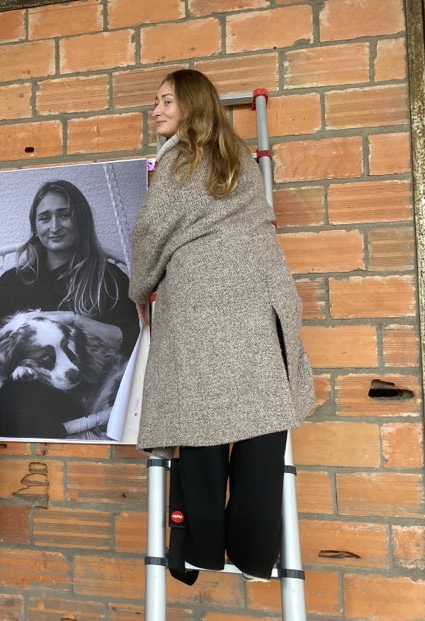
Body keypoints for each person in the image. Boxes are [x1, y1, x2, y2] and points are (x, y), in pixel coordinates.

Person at [128, 69, 315, 584]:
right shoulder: (243, 161)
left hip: (200, 300)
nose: (157, 110)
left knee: (200, 426)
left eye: (166, 101)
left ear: (190, 105)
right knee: (261, 427)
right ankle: (256, 556)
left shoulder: (179, 159)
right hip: (260, 292)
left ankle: (200, 550)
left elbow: (149, 233)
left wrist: (139, 290)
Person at [0, 179, 139, 438]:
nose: (54, 226)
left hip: (76, 398)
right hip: (10, 394)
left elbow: (131, 342)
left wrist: (74, 319)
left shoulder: (108, 279)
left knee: (20, 397)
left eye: (64, 215)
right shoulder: (13, 282)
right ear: (35, 227)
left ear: (80, 220)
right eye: (45, 218)